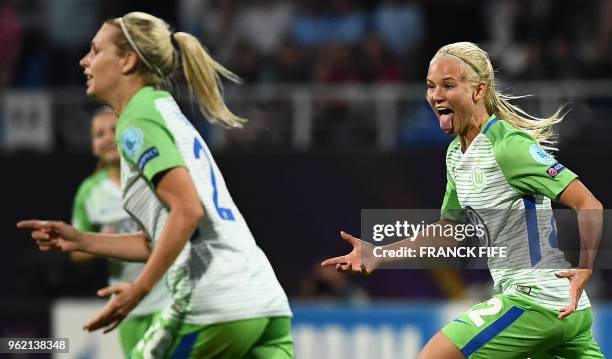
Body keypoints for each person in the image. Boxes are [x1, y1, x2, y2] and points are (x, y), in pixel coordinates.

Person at [18, 11, 293, 358]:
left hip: (212, 301)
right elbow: (165, 235)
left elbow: (188, 210)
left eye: (96, 50)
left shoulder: (137, 120)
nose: (84, 60)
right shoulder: (163, 110)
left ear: (128, 60)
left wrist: (139, 288)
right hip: (263, 300)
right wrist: (82, 239)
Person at [322, 42, 604, 358]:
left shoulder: (508, 146)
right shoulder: (456, 154)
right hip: (561, 308)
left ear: (478, 90)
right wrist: (380, 255)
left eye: (448, 85)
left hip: (536, 299)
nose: (436, 95)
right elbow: (448, 230)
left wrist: (586, 267)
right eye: (430, 86)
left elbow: (588, 204)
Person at [70, 107, 170, 356]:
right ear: (93, 146)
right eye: (99, 134)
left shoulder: (150, 174)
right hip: (127, 305)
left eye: (114, 130)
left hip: (168, 296)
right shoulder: (89, 192)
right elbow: (76, 253)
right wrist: (106, 242)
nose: (107, 138)